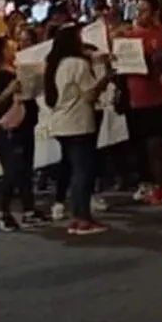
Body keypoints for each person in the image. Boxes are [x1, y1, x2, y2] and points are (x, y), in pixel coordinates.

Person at [45, 25, 114, 235]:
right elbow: (89, 94)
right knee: (83, 171)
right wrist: (105, 76)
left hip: (61, 122)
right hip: (77, 122)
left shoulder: (55, 64)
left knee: (75, 168)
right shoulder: (77, 64)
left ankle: (78, 216)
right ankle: (82, 217)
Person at [0, 36, 49, 232]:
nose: (15, 50)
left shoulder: (18, 71)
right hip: (7, 129)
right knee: (12, 170)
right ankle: (2, 211)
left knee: (25, 170)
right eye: (11, 47)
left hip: (25, 125)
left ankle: (29, 209)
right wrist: (9, 92)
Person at [123, 0, 162, 204]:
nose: (140, 15)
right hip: (139, 97)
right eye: (137, 10)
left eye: (144, 10)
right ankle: (160, 184)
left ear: (155, 13)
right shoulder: (127, 38)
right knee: (151, 144)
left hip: (161, 95)